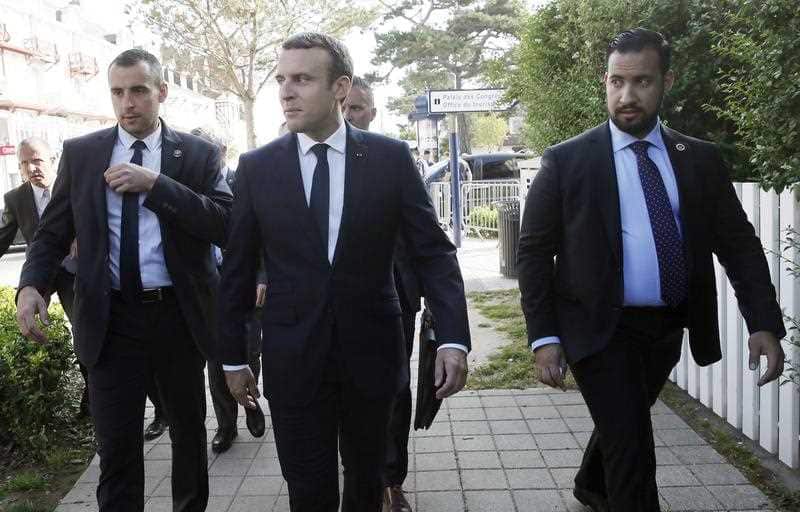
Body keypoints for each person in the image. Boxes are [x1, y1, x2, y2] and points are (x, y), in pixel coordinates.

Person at [517, 28, 785, 512]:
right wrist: (544, 337)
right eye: (617, 82)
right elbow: (534, 254)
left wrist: (762, 322)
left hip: (666, 328)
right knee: (634, 447)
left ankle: (591, 486)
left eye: (641, 82)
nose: (627, 95)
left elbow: (739, 245)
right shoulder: (566, 161)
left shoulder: (699, 160)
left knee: (625, 422)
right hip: (597, 328)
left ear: (666, 82)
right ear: (605, 81)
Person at [220, 32, 471, 512]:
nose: (286, 91)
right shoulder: (257, 168)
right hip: (294, 363)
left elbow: (434, 254)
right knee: (308, 495)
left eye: (302, 79)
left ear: (340, 88)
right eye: (281, 80)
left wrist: (454, 339)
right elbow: (235, 271)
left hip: (371, 361)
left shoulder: (389, 159)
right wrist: (233, 358)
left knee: (365, 489)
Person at [15, 48, 232, 511]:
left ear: (161, 92)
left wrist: (157, 185)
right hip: (111, 320)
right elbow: (53, 233)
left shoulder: (197, 155)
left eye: (138, 90)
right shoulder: (82, 153)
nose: (127, 102)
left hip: (178, 317)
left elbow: (225, 224)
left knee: (189, 441)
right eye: (117, 92)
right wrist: (32, 286)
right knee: (116, 451)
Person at [344, 76, 420, 512]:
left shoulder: (394, 159)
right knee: (342, 390)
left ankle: (391, 479)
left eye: (358, 108)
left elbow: (422, 233)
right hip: (334, 303)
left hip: (395, 298)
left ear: (372, 112)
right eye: (344, 106)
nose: (349, 114)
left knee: (395, 389)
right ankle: (357, 469)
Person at [190, 126, 265, 453]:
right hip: (208, 284)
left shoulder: (245, 179)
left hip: (247, 281)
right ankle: (225, 424)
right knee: (214, 356)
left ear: (220, 150)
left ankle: (251, 403)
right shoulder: (186, 186)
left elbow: (263, 233)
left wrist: (262, 274)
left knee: (248, 350)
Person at [0, 138, 85, 413]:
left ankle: (95, 393)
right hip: (42, 278)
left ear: (52, 160)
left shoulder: (75, 185)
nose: (32, 167)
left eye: (37, 160)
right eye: (24, 163)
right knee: (31, 331)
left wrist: (81, 236)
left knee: (84, 331)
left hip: (76, 271)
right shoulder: (15, 198)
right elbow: (4, 236)